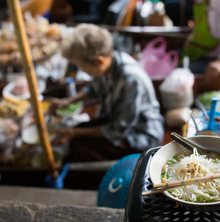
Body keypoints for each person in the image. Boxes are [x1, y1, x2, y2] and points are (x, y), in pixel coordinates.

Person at [50, 23, 164, 162]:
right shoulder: (110, 61)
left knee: (78, 147)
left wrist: (75, 133)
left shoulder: (131, 80)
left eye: (82, 67)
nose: (83, 70)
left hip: (140, 134)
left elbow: (119, 129)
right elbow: (94, 89)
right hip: (116, 118)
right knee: (77, 132)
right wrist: (68, 101)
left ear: (99, 61)